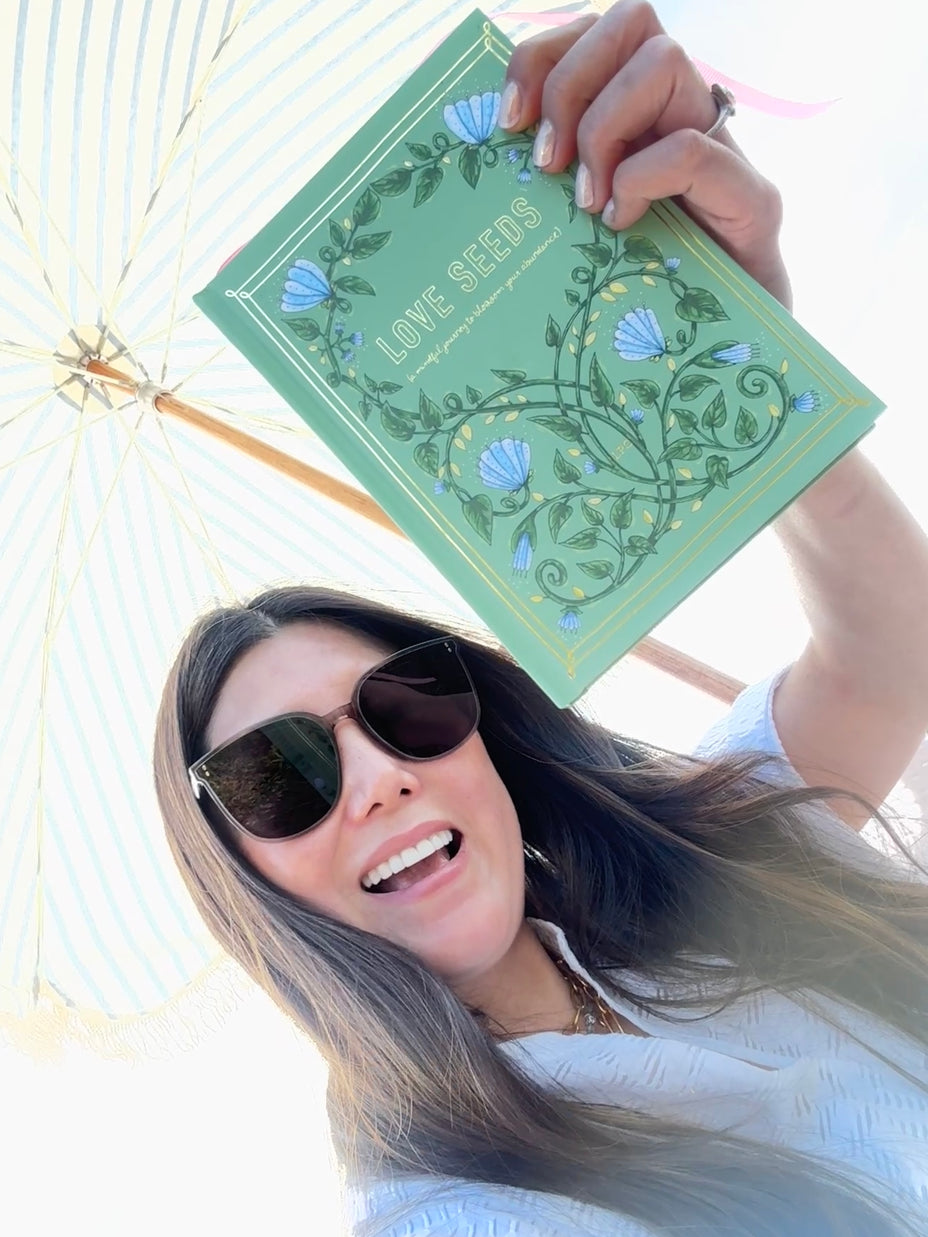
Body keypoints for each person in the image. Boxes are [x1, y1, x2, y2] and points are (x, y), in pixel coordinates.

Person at [154, 4, 928, 1235]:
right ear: (237, 873)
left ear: (481, 729)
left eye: (406, 704)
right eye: (277, 775)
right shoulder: (453, 1212)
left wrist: (749, 369)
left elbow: (891, 655)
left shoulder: (705, 868)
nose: (378, 778)